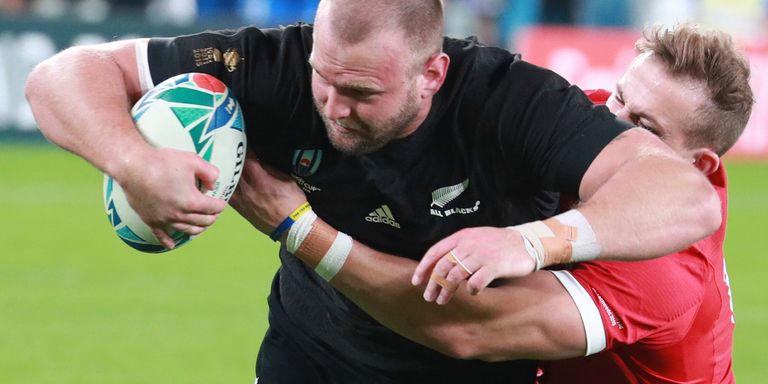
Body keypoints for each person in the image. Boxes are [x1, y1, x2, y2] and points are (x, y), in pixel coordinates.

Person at [25, 0, 722, 383]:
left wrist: (532, 241)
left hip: (461, 375)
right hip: (311, 354)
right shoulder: (278, 65)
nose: (333, 106)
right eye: (325, 79)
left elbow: (685, 201)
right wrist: (134, 163)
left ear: (433, 74)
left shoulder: (512, 102)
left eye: (362, 93)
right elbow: (64, 73)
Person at [231, 22, 752, 383]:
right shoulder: (593, 129)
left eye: (645, 127)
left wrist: (298, 226)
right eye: (618, 96)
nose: (613, 122)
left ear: (699, 166)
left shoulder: (664, 269)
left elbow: (464, 328)